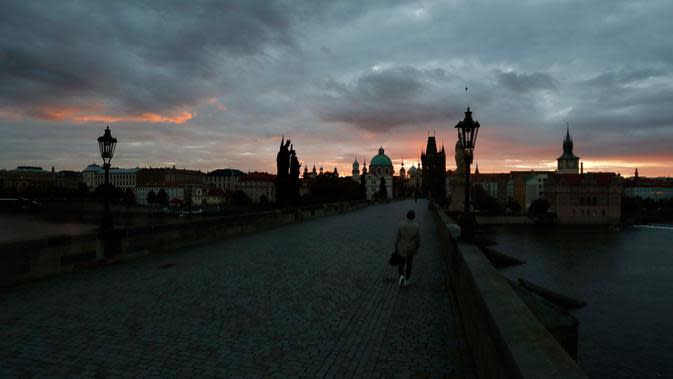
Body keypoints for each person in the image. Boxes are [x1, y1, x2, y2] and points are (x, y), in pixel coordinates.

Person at [394, 209, 421, 287]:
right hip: (411, 248)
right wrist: (417, 247)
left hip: (401, 247)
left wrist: (396, 246)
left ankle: (401, 278)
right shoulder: (416, 226)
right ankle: (407, 280)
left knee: (401, 264)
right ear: (414, 217)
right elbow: (418, 239)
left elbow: (397, 238)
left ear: (407, 216)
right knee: (409, 264)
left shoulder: (401, 224)